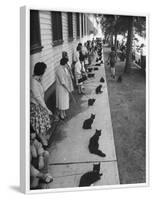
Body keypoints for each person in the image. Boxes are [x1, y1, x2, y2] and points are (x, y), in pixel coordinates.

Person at [30, 62, 53, 147]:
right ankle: (44, 142)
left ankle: (44, 138)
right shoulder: (33, 83)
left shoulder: (37, 80)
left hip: (40, 106)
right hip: (35, 108)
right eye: (44, 71)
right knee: (39, 126)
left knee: (43, 125)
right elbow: (38, 98)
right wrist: (47, 109)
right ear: (41, 71)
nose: (45, 72)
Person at [30, 125, 53, 189]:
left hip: (34, 163)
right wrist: (41, 175)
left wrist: (40, 157)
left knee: (46, 153)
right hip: (30, 170)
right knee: (33, 186)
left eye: (34, 138)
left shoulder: (33, 141)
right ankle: (41, 177)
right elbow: (28, 168)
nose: (33, 140)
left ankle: (45, 173)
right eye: (32, 139)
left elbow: (39, 146)